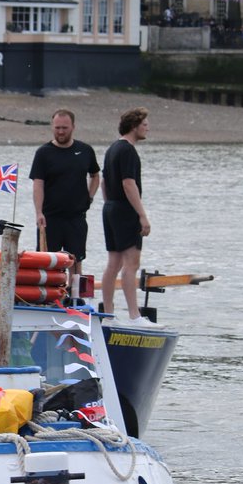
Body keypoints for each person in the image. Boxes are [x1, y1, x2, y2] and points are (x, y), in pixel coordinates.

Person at [100, 107, 158, 326]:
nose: (147, 128)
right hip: (124, 210)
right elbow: (128, 183)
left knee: (113, 263)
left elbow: (105, 182)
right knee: (131, 263)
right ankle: (134, 316)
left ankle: (108, 315)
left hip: (111, 208)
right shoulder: (128, 151)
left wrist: (109, 206)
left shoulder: (112, 149)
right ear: (134, 126)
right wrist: (142, 215)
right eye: (144, 124)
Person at [30, 109, 99, 274]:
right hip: (50, 217)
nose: (60, 131)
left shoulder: (85, 150)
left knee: (76, 260)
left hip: (76, 217)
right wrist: (38, 212)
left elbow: (95, 175)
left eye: (64, 128)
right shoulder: (43, 153)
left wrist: (89, 198)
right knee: (47, 260)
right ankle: (48, 297)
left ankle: (74, 296)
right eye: (57, 128)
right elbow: (38, 184)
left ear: (73, 127)